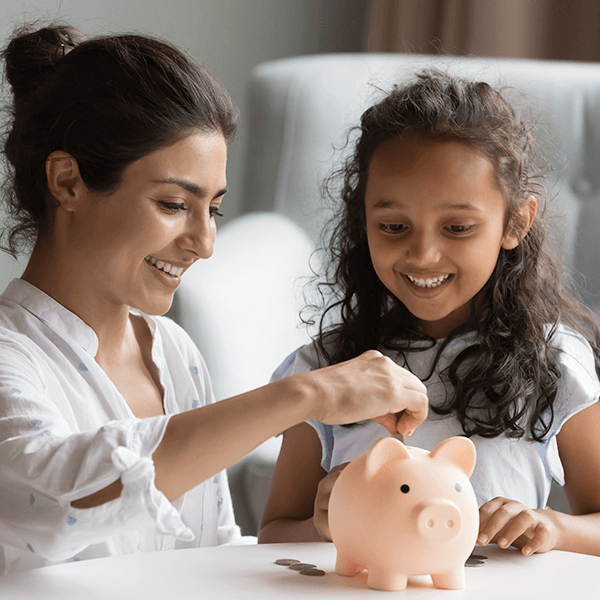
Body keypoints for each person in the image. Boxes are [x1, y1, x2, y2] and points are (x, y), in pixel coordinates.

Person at [0, 24, 430, 575]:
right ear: (67, 183)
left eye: (214, 210)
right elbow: (61, 499)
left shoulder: (173, 352)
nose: (204, 244)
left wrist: (337, 523)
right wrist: (305, 395)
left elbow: (210, 556)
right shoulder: (13, 358)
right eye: (175, 203)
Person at [258, 71, 600, 557]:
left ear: (515, 222)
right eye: (394, 226)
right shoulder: (327, 370)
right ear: (363, 222)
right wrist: (328, 522)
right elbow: (271, 533)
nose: (422, 255)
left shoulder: (556, 362)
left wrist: (554, 527)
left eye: (457, 227)